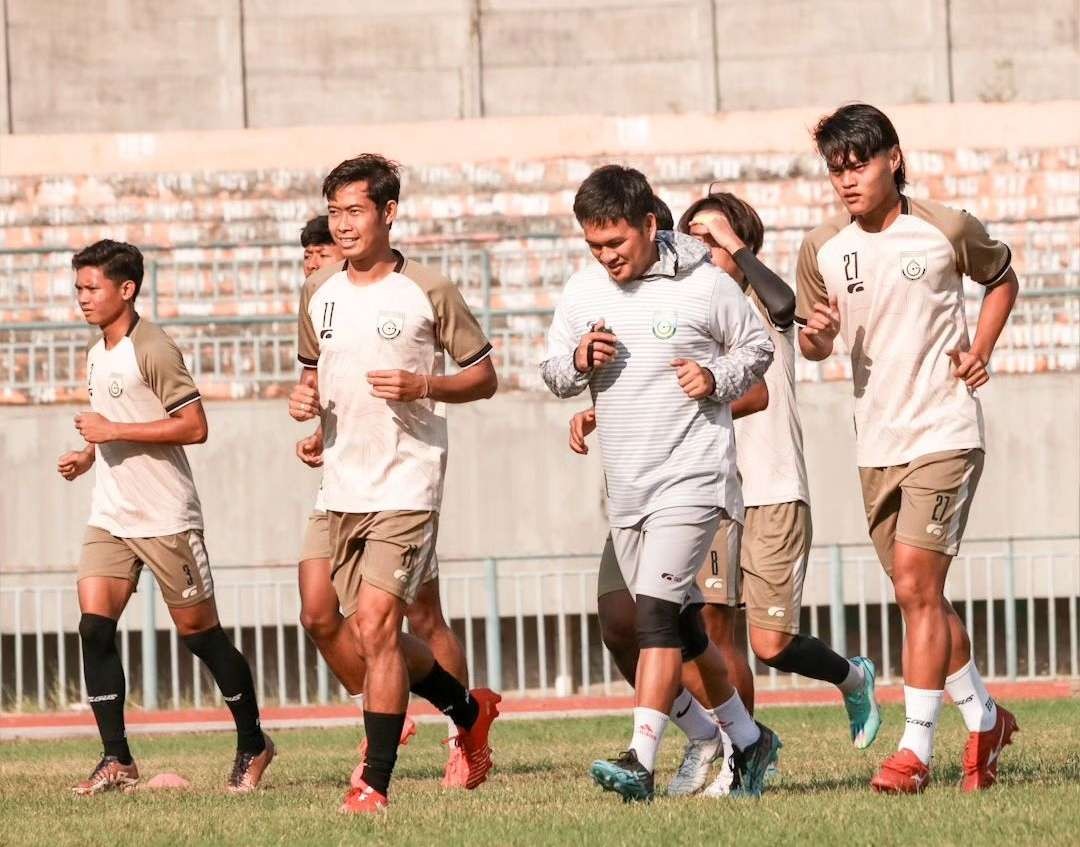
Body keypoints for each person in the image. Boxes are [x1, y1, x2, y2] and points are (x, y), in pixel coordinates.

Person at [571, 189, 883, 797]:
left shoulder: (755, 303)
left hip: (769, 484)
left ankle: (841, 682)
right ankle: (731, 748)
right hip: (701, 485)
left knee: (765, 641)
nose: (697, 248)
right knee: (692, 622)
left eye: (710, 238)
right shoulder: (687, 304)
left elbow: (770, 351)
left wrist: (735, 249)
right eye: (693, 237)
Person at [795, 103, 1020, 794]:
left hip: (945, 433)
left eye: (858, 164)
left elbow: (1002, 277)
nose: (846, 180)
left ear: (893, 157)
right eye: (836, 170)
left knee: (918, 587)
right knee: (920, 593)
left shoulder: (945, 227)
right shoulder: (822, 248)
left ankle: (914, 749)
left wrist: (980, 351)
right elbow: (811, 341)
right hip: (878, 443)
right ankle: (984, 716)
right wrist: (819, 335)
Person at [541, 164, 780, 802]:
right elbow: (550, 370)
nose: (607, 256)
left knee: (652, 617)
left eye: (616, 242)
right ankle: (747, 741)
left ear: (650, 224)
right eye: (594, 246)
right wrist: (574, 361)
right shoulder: (584, 289)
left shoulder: (704, 282)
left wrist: (715, 378)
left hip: (694, 476)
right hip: (628, 484)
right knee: (682, 628)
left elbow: (758, 347)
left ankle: (639, 761)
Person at [288, 154, 501, 814]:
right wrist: (308, 411)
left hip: (407, 482)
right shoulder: (317, 291)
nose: (344, 224)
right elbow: (314, 376)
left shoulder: (428, 290)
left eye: (355, 210)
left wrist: (425, 385)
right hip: (340, 484)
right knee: (323, 614)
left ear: (387, 212)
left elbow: (485, 374)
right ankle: (469, 710)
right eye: (335, 212)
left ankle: (373, 783)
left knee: (380, 623)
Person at [58, 239, 272, 795]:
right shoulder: (98, 349)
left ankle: (253, 741)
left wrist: (111, 433)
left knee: (201, 636)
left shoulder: (151, 347)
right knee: (93, 626)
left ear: (126, 290)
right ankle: (117, 759)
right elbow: (117, 419)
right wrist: (89, 455)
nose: (80, 298)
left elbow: (195, 426)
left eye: (90, 288)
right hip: (111, 514)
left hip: (165, 517)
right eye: (78, 287)